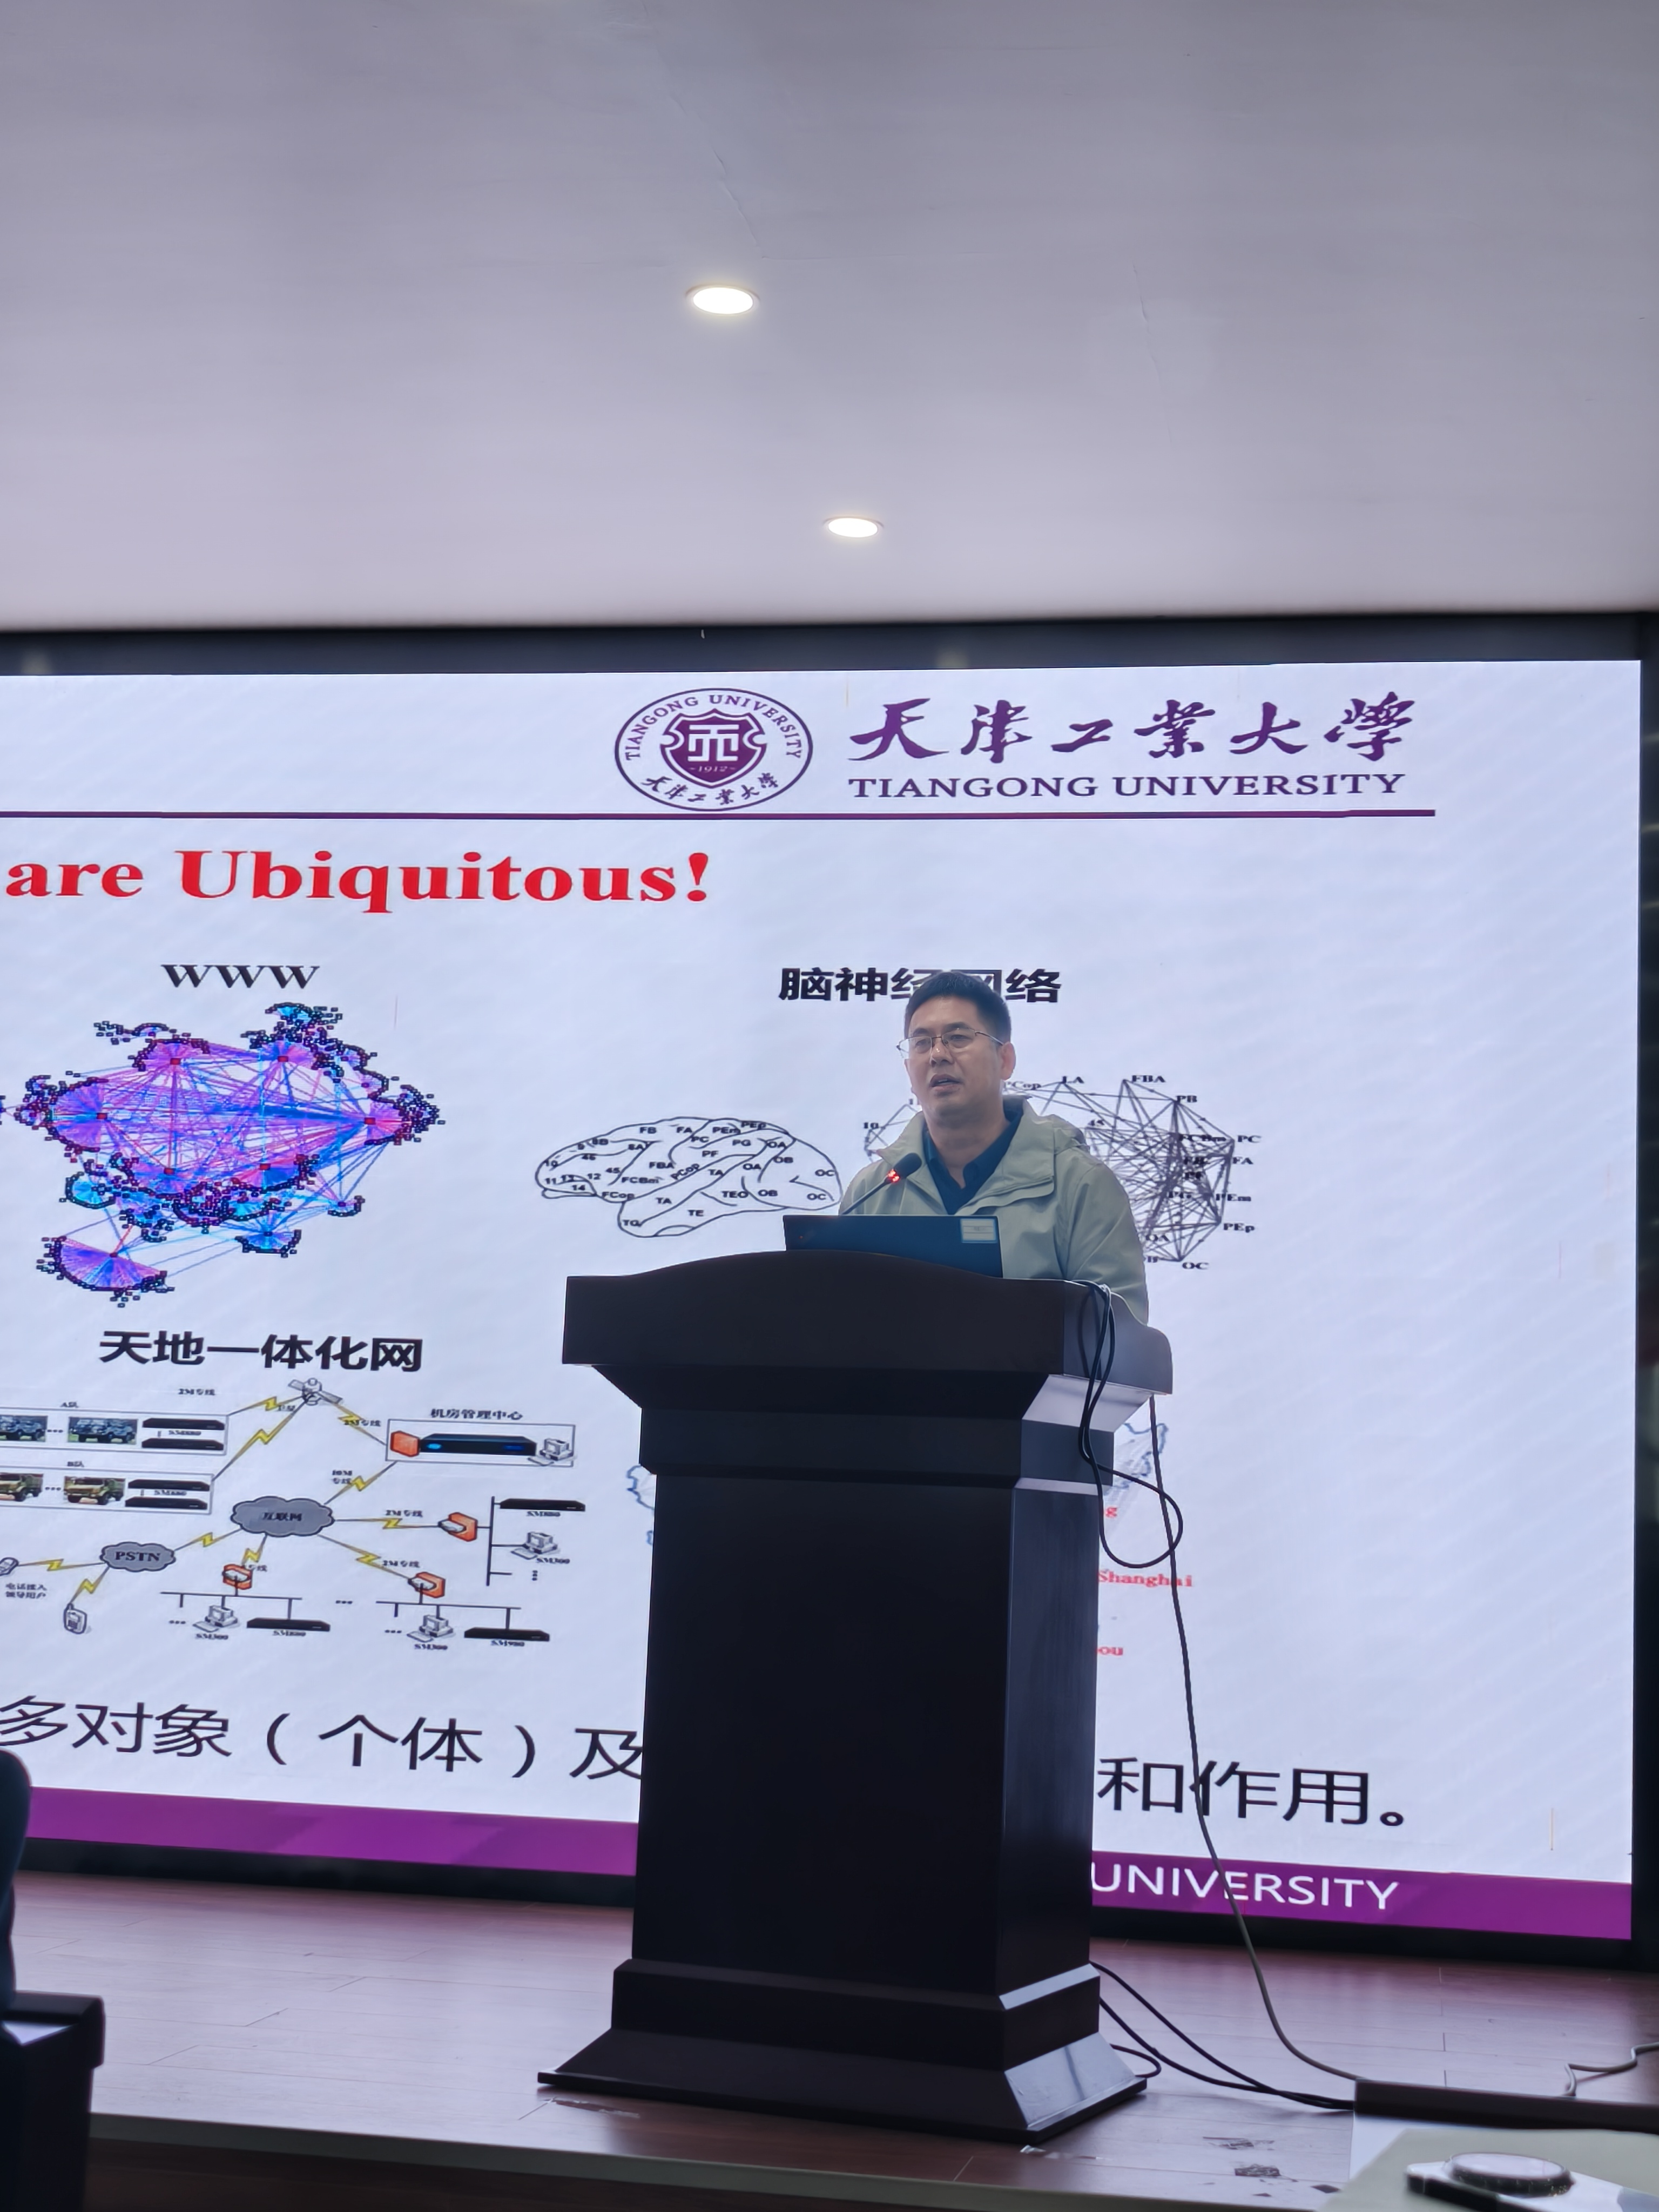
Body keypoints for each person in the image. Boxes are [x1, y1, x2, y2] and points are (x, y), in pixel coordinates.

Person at [840, 970, 1149, 1320]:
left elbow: (1118, 1335)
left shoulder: (1080, 1184)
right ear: (909, 1069)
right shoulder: (872, 1192)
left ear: (1005, 1060)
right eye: (921, 1043)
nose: (938, 1055)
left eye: (958, 1038)